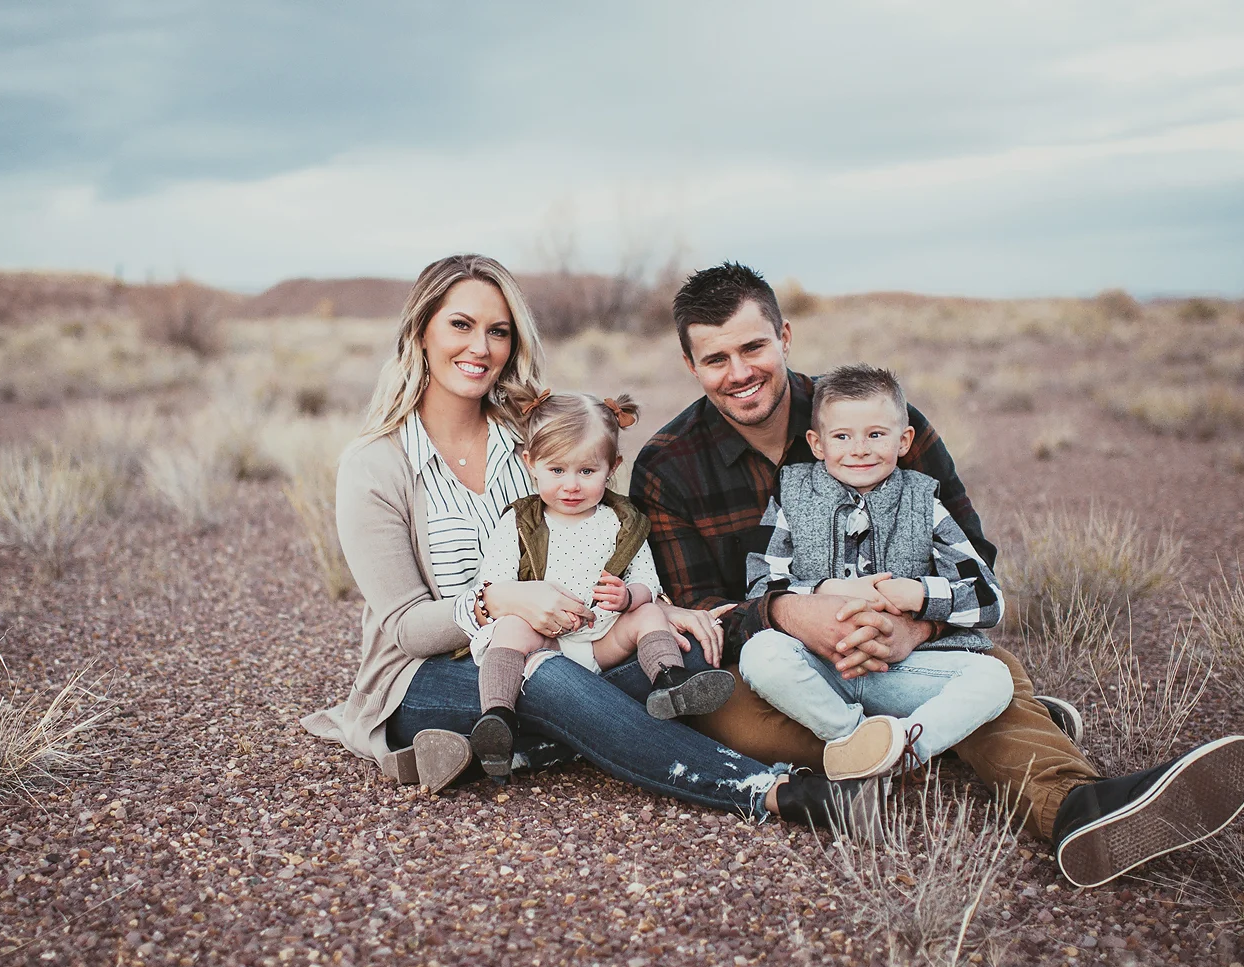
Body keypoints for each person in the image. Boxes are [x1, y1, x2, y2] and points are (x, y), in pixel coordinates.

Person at [630, 261, 1244, 887]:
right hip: (782, 666)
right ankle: (962, 733)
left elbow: (972, 557)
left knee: (993, 670)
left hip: (903, 647)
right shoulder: (667, 465)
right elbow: (699, 612)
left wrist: (916, 629)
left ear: (784, 337)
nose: (740, 373)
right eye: (716, 359)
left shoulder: (878, 419)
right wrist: (792, 614)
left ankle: (1075, 809)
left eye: (753, 348)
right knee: (729, 716)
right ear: (690, 365)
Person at [301, 253, 872, 830]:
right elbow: (406, 628)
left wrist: (655, 605)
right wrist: (499, 601)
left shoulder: (531, 439)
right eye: (461, 325)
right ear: (421, 330)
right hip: (427, 677)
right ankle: (770, 790)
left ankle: (516, 751)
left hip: (572, 642)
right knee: (547, 677)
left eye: (498, 331)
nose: (480, 347)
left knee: (684, 654)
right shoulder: (375, 466)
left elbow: (599, 535)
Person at [740, 364, 1013, 780]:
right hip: (818, 669)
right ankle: (853, 737)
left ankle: (903, 751)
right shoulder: (792, 496)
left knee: (994, 678)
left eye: (875, 435)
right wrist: (824, 589)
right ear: (817, 444)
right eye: (842, 437)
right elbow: (761, 586)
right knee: (759, 656)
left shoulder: (923, 502)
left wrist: (919, 595)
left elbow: (988, 598)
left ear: (903, 441)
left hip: (902, 670)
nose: (859, 450)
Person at [454, 385, 734, 777]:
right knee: (510, 628)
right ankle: (498, 715)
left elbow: (648, 581)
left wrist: (628, 597)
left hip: (603, 641)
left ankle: (671, 681)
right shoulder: (518, 522)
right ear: (530, 462)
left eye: (587, 471)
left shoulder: (622, 521)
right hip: (545, 644)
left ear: (612, 467)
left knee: (649, 613)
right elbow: (497, 584)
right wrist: (529, 605)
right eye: (557, 470)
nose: (571, 485)